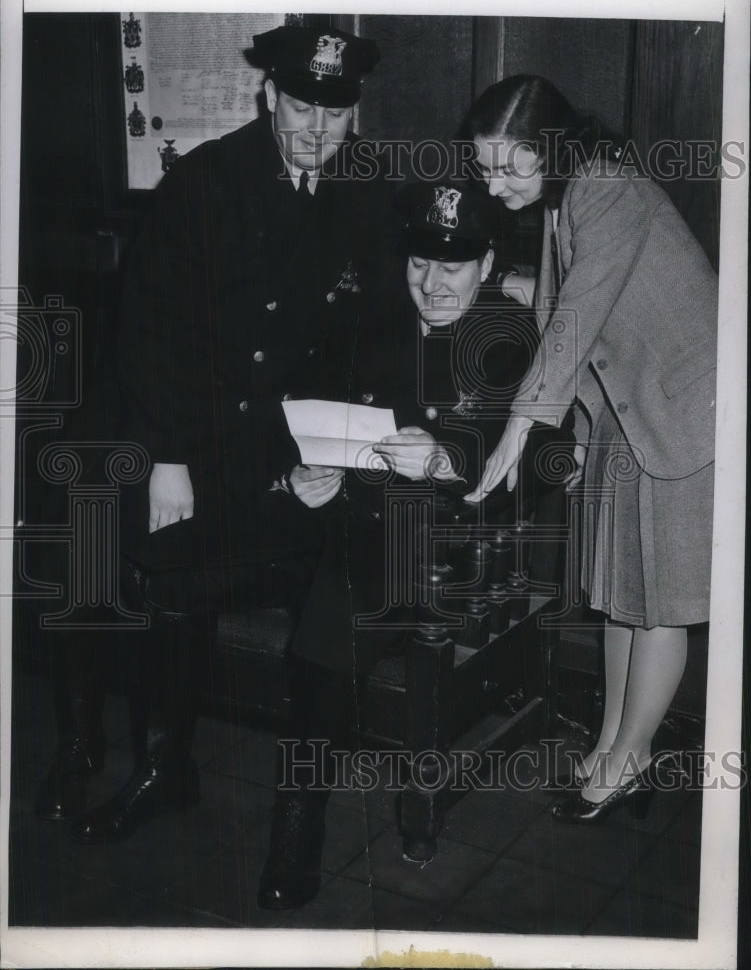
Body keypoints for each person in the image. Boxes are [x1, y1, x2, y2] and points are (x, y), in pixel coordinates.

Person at [40, 24, 395, 843]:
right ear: (268, 94)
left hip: (293, 448)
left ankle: (288, 813)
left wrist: (338, 453)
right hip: (186, 430)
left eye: (334, 114)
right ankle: (146, 761)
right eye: (301, 105)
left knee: (336, 572)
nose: (316, 129)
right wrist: (168, 457)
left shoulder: (367, 189)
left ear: (356, 113)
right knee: (114, 549)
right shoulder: (207, 182)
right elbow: (151, 331)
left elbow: (371, 335)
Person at [257, 180, 571, 909]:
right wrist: (310, 469)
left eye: (452, 267)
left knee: (338, 608)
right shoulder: (370, 319)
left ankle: (303, 812)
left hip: (462, 543)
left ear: (488, 261)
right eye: (418, 264)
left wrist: (449, 459)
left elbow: (547, 461)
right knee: (322, 627)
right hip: (362, 527)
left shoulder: (516, 337)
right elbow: (303, 403)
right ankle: (298, 820)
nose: (431, 284)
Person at [463, 75, 717, 823]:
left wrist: (521, 427)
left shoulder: (606, 187)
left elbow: (576, 317)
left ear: (552, 148)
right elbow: (554, 310)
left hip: (684, 415)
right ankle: (611, 741)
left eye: (509, 166)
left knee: (660, 603)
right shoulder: (561, 197)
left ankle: (630, 758)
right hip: (621, 413)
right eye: (483, 168)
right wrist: (570, 435)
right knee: (617, 596)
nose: (493, 182)